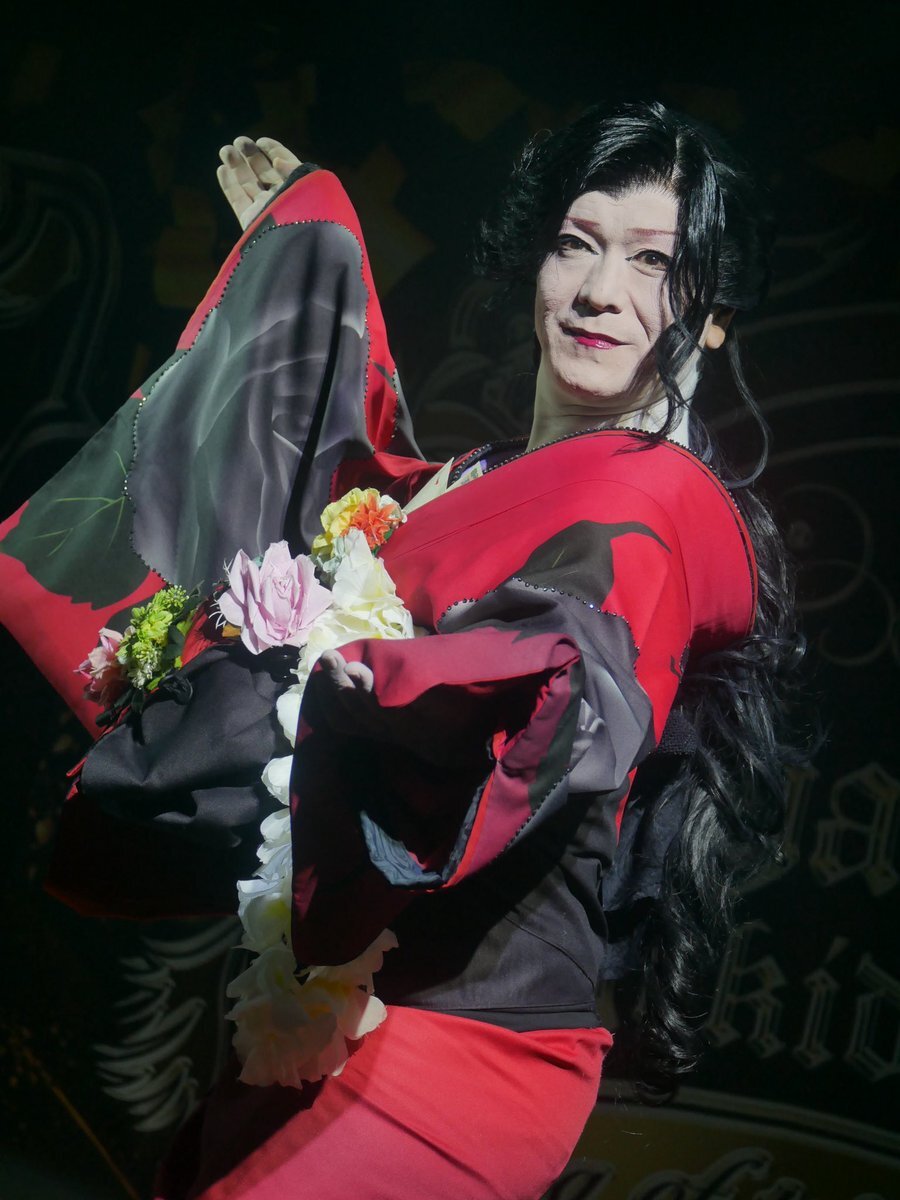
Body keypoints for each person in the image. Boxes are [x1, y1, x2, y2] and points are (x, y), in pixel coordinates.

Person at [0, 101, 799, 1199]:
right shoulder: (473, 480)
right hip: (336, 1015)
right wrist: (296, 261)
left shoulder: (650, 507)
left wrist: (374, 685)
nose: (599, 290)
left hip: (462, 1049)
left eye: (653, 263)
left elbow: (561, 683)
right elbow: (333, 489)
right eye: (576, 244)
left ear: (711, 319)